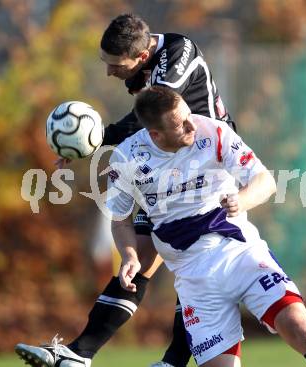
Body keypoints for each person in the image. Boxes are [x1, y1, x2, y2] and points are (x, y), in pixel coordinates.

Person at [16, 13, 236, 367]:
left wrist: (94, 139)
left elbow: (155, 117)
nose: (108, 72)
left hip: (210, 170)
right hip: (173, 174)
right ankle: (80, 354)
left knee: (191, 264)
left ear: (143, 56)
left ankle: (165, 360)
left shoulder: (178, 52)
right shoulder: (141, 69)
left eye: (115, 65)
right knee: (142, 258)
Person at [109, 86, 306, 367]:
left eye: (189, 115)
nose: (192, 124)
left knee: (298, 326)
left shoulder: (213, 132)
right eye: (181, 124)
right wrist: (129, 254)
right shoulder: (127, 158)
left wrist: (242, 200)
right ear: (156, 135)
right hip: (193, 277)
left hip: (241, 254)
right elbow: (120, 220)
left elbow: (266, 181)